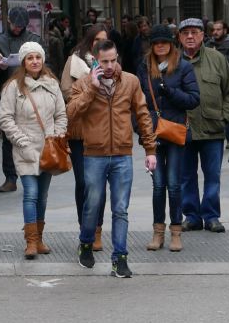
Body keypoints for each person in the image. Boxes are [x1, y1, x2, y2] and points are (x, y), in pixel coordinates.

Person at [68, 39, 157, 279]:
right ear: (95, 60)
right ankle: (86, 242)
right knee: (92, 205)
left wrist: (150, 150)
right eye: (104, 61)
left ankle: (120, 258)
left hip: (122, 154)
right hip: (94, 154)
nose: (109, 66)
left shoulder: (130, 81)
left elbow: (143, 115)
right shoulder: (84, 83)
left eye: (113, 60)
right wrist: (92, 88)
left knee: (120, 209)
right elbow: (71, 114)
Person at [0, 40, 67, 261]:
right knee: (31, 193)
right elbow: (6, 119)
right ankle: (31, 241)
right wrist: (21, 140)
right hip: (25, 148)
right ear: (23, 62)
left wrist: (58, 134)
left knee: (42, 197)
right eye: (30, 58)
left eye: (38, 57)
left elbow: (61, 114)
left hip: (48, 148)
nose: (35, 61)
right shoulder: (12, 87)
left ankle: (39, 238)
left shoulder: (52, 84)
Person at [137, 24, 200, 253]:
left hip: (174, 132)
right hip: (152, 134)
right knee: (157, 186)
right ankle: (158, 233)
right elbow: (137, 102)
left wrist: (170, 92)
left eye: (164, 42)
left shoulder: (183, 66)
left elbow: (194, 99)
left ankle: (175, 232)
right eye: (156, 42)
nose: (161, 46)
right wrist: (141, 130)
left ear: (171, 44)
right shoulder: (144, 67)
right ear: (152, 45)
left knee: (174, 185)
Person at [177, 17, 229, 233]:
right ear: (179, 37)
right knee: (186, 177)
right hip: (182, 130)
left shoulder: (217, 59)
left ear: (203, 35)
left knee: (213, 176)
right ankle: (191, 216)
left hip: (213, 129)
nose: (190, 37)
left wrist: (225, 118)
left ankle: (211, 216)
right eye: (185, 33)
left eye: (194, 32)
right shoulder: (172, 62)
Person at [60, 24, 106, 249]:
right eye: (97, 39)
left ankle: (97, 230)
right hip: (79, 130)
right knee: (83, 182)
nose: (100, 43)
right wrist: (90, 85)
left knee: (99, 183)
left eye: (104, 39)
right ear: (89, 41)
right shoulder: (75, 61)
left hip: (102, 129)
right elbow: (66, 92)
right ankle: (84, 228)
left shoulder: (110, 61)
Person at [0, 6, 42, 193]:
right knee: (8, 138)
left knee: (34, 133)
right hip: (7, 93)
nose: (18, 29)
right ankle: (10, 177)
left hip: (31, 92)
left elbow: (45, 65)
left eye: (22, 26)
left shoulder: (35, 40)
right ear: (9, 22)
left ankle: (35, 172)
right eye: (15, 25)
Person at [206, 18, 229, 87]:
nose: (215, 32)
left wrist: (215, 55)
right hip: (212, 81)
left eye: (218, 30)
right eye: (213, 30)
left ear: (225, 31)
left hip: (228, 81)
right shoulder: (208, 43)